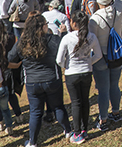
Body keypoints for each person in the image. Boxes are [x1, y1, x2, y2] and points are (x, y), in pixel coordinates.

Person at [8, 15, 72, 147]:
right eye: (46, 24)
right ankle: (68, 132)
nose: (47, 26)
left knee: (35, 112)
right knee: (58, 107)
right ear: (42, 26)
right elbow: (65, 49)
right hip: (52, 79)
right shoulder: (52, 39)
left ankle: (33, 142)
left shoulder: (22, 43)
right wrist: (64, 33)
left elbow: (10, 58)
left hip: (32, 82)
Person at [88, 0, 122, 130]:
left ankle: (103, 119)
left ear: (97, 0)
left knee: (103, 89)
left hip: (101, 56)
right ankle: (115, 113)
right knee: (114, 85)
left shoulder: (94, 19)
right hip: (116, 55)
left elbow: (91, 39)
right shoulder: (118, 10)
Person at [57, 10, 101, 144]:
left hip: (72, 74)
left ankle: (76, 133)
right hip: (87, 72)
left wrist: (67, 65)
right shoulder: (92, 36)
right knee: (85, 100)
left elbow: (59, 60)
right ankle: (84, 130)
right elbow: (98, 55)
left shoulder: (67, 38)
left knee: (76, 103)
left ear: (74, 23)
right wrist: (88, 62)